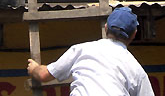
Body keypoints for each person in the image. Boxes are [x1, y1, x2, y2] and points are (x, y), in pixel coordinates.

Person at [27, 7, 155, 96]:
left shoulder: (81, 49)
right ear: (134, 34)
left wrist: (34, 69)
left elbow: (44, 75)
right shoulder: (136, 69)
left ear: (106, 28)